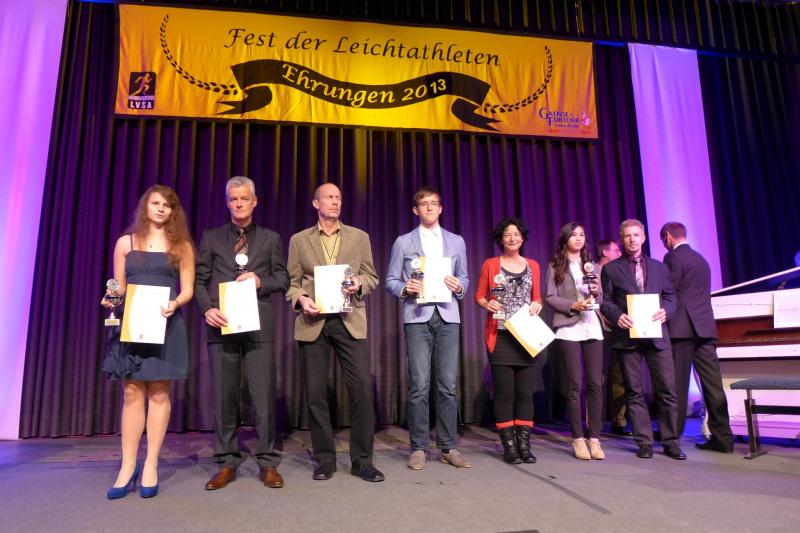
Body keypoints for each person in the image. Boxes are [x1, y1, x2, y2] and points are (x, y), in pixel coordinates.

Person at [195, 176, 289, 491]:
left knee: (263, 397)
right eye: (233, 199)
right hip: (221, 325)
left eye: (244, 198)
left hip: (258, 325)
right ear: (227, 202)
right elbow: (199, 281)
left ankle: (267, 461)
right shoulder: (211, 238)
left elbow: (283, 279)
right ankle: (226, 462)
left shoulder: (271, 239)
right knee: (225, 396)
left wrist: (261, 281)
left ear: (254, 201)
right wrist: (207, 309)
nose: (239, 204)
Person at [101, 185, 195, 499]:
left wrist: (175, 303)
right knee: (131, 393)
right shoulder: (125, 243)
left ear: (173, 211)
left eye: (167, 205)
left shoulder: (181, 245)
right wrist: (111, 297)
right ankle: (127, 466)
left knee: (158, 392)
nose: (160, 209)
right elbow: (117, 285)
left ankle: (151, 463)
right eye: (155, 203)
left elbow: (188, 289)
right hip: (132, 322)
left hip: (164, 323)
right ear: (146, 206)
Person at [286, 183, 384, 482]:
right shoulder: (299, 240)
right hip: (313, 322)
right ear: (316, 203)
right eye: (329, 197)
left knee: (362, 391)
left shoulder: (359, 237)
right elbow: (292, 283)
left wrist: (359, 283)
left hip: (348, 319)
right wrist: (301, 299)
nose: (335, 202)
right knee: (315, 394)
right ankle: (325, 459)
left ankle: (362, 461)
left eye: (339, 197)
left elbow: (371, 276)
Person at [385, 186, 470, 470]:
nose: (430, 208)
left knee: (447, 385)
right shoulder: (403, 242)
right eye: (424, 204)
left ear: (441, 208)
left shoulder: (456, 241)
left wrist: (459, 286)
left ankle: (448, 446)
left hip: (447, 316)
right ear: (416, 210)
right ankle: (419, 447)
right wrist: (405, 288)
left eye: (434, 203)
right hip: (417, 317)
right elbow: (390, 280)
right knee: (419, 385)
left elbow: (464, 277)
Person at [600, 219, 684, 460]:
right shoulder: (611, 269)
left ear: (643, 238)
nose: (632, 239)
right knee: (634, 391)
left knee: (667, 391)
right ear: (622, 239)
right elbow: (606, 301)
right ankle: (644, 441)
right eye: (627, 236)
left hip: (657, 335)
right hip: (628, 337)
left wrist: (667, 310)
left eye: (636, 235)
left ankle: (670, 441)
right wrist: (617, 315)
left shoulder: (659, 267)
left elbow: (671, 296)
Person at [660, 222, 734, 453]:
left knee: (677, 385)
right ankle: (723, 438)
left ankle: (673, 436)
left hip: (681, 330)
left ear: (668, 237)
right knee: (713, 386)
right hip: (705, 328)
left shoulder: (672, 258)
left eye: (664, 240)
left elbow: (669, 292)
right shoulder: (701, 260)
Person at [475, 217, 543, 464]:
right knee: (504, 393)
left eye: (516, 234)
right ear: (501, 240)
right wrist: (488, 304)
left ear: (522, 238)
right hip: (501, 336)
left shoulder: (533, 265)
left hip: (526, 337)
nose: (512, 238)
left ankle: (524, 445)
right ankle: (509, 447)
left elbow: (537, 298)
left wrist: (537, 304)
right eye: (507, 235)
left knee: (525, 392)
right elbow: (480, 296)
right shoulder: (491, 264)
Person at [546, 223, 606, 460]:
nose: (579, 238)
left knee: (595, 383)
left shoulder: (593, 266)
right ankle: (578, 439)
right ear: (565, 239)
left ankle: (595, 439)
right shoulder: (555, 265)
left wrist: (596, 292)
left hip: (592, 325)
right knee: (574, 384)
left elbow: (601, 298)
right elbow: (550, 297)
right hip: (569, 326)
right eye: (573, 235)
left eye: (582, 234)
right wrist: (574, 305)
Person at [597, 239, 630, 437]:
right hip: (598, 330)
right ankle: (595, 423)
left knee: (620, 376)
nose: (619, 253)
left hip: (618, 330)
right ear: (604, 252)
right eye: (615, 250)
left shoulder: (619, 272)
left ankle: (619, 422)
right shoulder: (592, 271)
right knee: (597, 377)